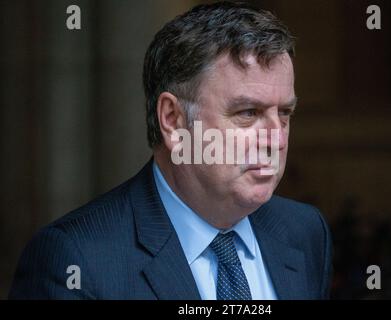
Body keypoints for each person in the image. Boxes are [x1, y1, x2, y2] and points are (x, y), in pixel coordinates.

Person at [9, 1, 332, 300]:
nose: (275, 140)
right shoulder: (75, 260)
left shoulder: (304, 232)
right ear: (173, 120)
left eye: (285, 114)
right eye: (248, 113)